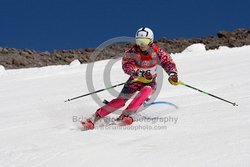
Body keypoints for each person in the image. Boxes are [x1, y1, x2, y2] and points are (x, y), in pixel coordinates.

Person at [81, 27, 178, 130]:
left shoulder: (158, 53)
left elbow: (168, 62)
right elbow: (127, 66)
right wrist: (139, 73)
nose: (142, 44)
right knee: (120, 101)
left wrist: (173, 74)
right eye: (139, 41)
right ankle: (93, 118)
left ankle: (126, 114)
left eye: (144, 41)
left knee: (146, 90)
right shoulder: (132, 52)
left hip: (150, 82)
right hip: (134, 81)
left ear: (150, 41)